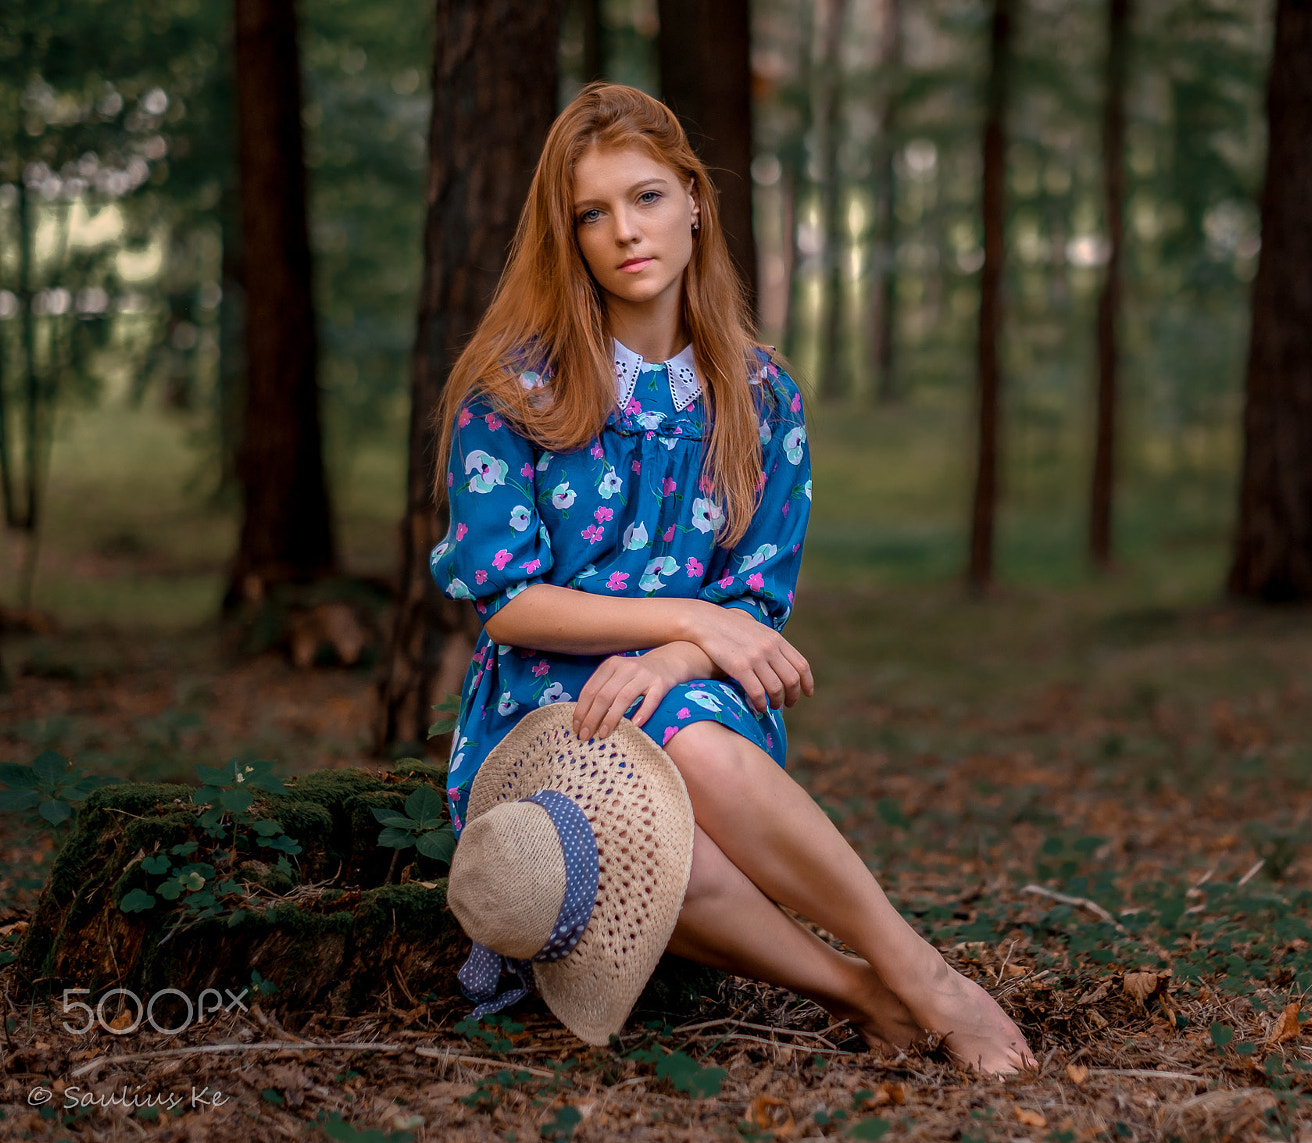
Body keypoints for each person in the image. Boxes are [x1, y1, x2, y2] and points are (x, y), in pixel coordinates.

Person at [428, 82, 1035, 1075]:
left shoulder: (759, 395)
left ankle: (918, 978)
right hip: (549, 700)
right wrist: (685, 619)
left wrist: (674, 652)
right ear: (567, 235)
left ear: (695, 199)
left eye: (647, 197)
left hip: (694, 693)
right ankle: (871, 987)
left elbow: (753, 606)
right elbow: (508, 601)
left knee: (698, 745)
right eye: (592, 213)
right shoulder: (514, 386)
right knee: (654, 852)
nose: (625, 231)